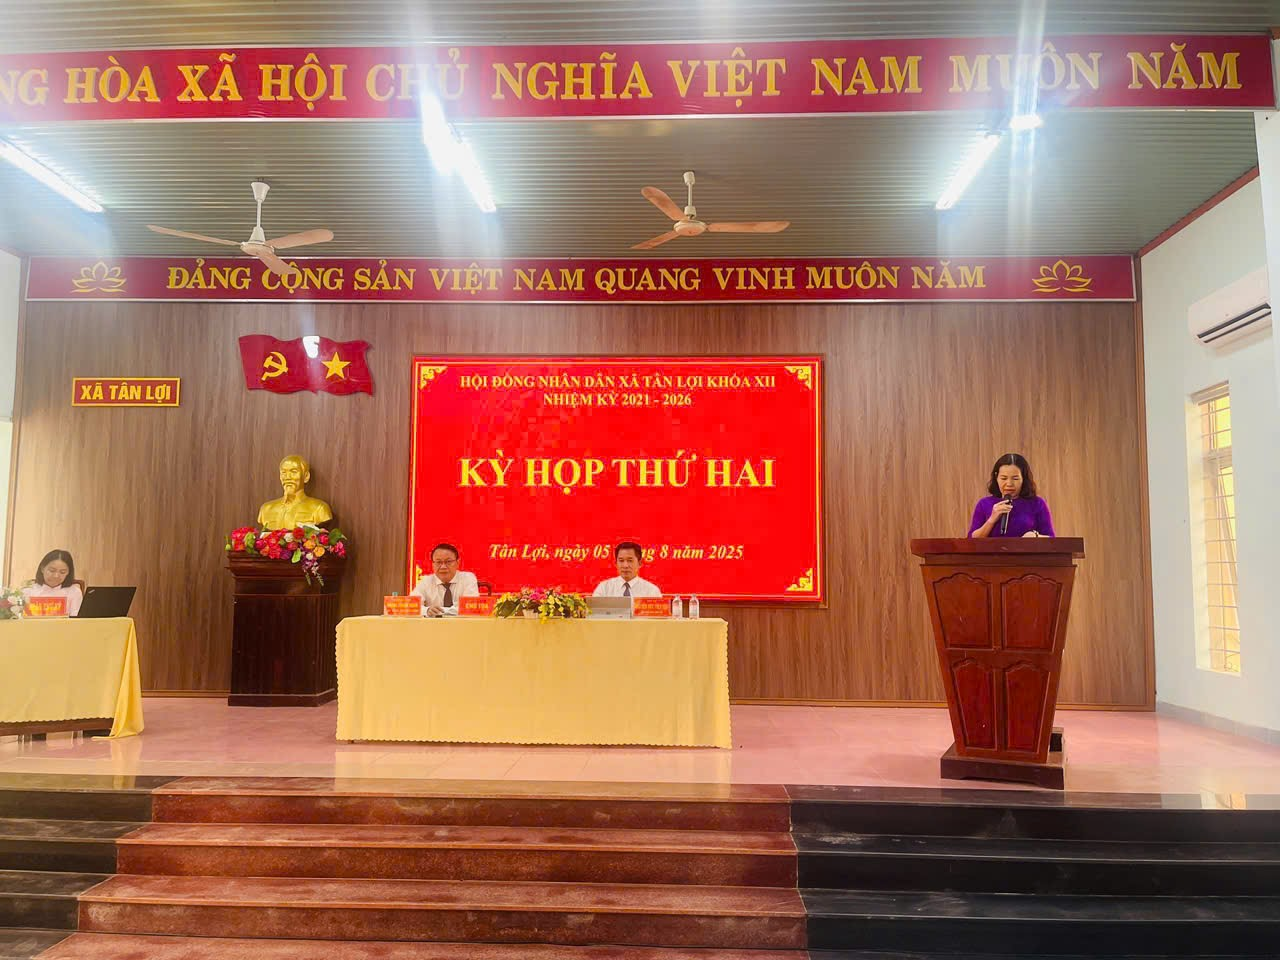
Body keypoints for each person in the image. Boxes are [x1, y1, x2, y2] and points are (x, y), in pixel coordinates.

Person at [968, 453, 1056, 539]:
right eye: (1003, 478)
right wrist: (991, 520)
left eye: (1015, 478)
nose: (1009, 484)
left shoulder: (1037, 503)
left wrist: (1035, 536)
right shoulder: (984, 504)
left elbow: (1052, 539)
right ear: (996, 477)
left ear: (1023, 479)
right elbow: (972, 540)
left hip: (1025, 549)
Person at [257, 455, 333, 530]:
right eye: (283, 472)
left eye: (293, 472)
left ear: (306, 476)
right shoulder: (266, 509)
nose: (287, 477)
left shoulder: (319, 509)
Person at [411, 542, 479, 617]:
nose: (443, 566)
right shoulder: (425, 581)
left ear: (457, 563)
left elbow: (470, 607)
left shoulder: (468, 578)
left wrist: (440, 611)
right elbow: (411, 606)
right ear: (433, 564)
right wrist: (427, 610)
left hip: (462, 623)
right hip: (433, 624)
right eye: (439, 562)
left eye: (448, 562)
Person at [22, 549, 83, 616]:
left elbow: (76, 619)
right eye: (52, 570)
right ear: (42, 568)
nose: (56, 576)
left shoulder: (74, 592)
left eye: (62, 572)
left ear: (68, 573)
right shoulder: (28, 591)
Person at [593, 541, 662, 598]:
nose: (625, 565)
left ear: (640, 563)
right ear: (616, 563)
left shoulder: (651, 591)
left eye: (630, 560)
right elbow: (593, 610)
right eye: (621, 560)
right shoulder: (604, 588)